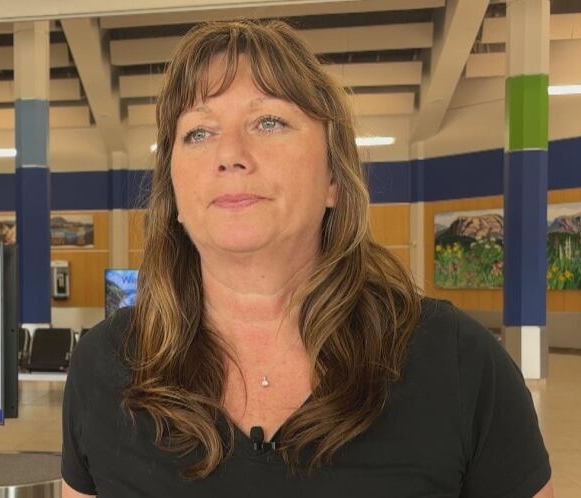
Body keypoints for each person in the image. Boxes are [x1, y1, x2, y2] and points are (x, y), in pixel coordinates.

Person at [62, 19, 554, 498]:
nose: (229, 153)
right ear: (173, 190)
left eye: (269, 121)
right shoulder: (105, 367)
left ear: (334, 180)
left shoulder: (459, 364)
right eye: (198, 132)